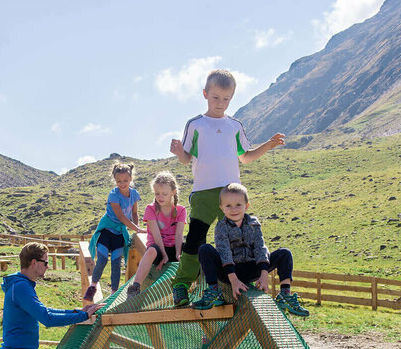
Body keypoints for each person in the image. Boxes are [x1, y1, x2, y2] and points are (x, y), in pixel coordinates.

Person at [168, 69, 286, 306]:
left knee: (243, 237)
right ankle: (182, 284)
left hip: (232, 192)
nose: (220, 103)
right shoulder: (196, 124)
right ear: (205, 94)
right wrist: (180, 152)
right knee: (195, 240)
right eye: (215, 97)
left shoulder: (235, 125)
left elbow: (247, 156)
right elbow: (186, 158)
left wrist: (269, 145)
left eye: (226, 98)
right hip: (203, 193)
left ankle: (245, 278)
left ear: (232, 97)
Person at [190, 183, 310, 317]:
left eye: (238, 205)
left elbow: (260, 247)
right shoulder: (221, 226)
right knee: (205, 249)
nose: (233, 209)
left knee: (285, 253)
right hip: (229, 271)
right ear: (221, 208)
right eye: (228, 205)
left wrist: (264, 274)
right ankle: (213, 291)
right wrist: (234, 281)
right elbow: (224, 252)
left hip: (252, 267)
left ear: (246, 206)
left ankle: (285, 294)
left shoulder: (253, 223)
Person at [84, 162, 146, 301]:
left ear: (130, 179)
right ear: (115, 180)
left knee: (116, 264)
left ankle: (113, 294)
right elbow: (121, 217)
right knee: (102, 259)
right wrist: (136, 229)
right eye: (119, 181)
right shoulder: (114, 195)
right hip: (107, 231)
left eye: (125, 180)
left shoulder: (134, 194)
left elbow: (134, 212)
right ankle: (93, 286)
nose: (122, 183)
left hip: (119, 233)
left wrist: (137, 227)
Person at [127, 171, 186, 297]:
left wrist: (178, 253)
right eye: (157, 193)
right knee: (151, 251)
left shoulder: (181, 210)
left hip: (174, 246)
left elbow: (179, 234)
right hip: (158, 248)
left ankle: (201, 287)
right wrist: (164, 255)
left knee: (193, 249)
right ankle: (135, 286)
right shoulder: (151, 209)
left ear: (173, 192)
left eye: (164, 194)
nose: (160, 197)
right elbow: (156, 235)